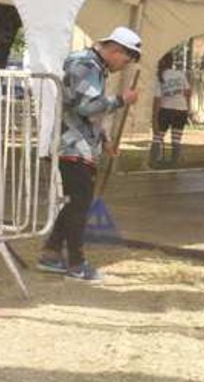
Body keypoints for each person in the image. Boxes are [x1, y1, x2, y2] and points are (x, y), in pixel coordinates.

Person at [39, 27, 141, 281]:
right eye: (125, 60)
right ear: (116, 50)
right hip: (72, 146)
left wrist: (104, 138)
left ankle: (51, 254)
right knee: (79, 206)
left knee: (77, 203)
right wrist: (121, 99)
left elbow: (87, 109)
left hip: (80, 144)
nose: (123, 66)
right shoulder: (85, 65)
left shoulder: (93, 66)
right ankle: (76, 263)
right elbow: (86, 107)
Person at [149, 54, 192, 167]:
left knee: (157, 137)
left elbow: (157, 99)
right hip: (181, 110)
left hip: (165, 110)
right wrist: (187, 107)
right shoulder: (179, 74)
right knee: (176, 139)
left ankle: (153, 162)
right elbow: (188, 92)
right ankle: (174, 163)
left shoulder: (159, 76)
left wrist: (154, 116)